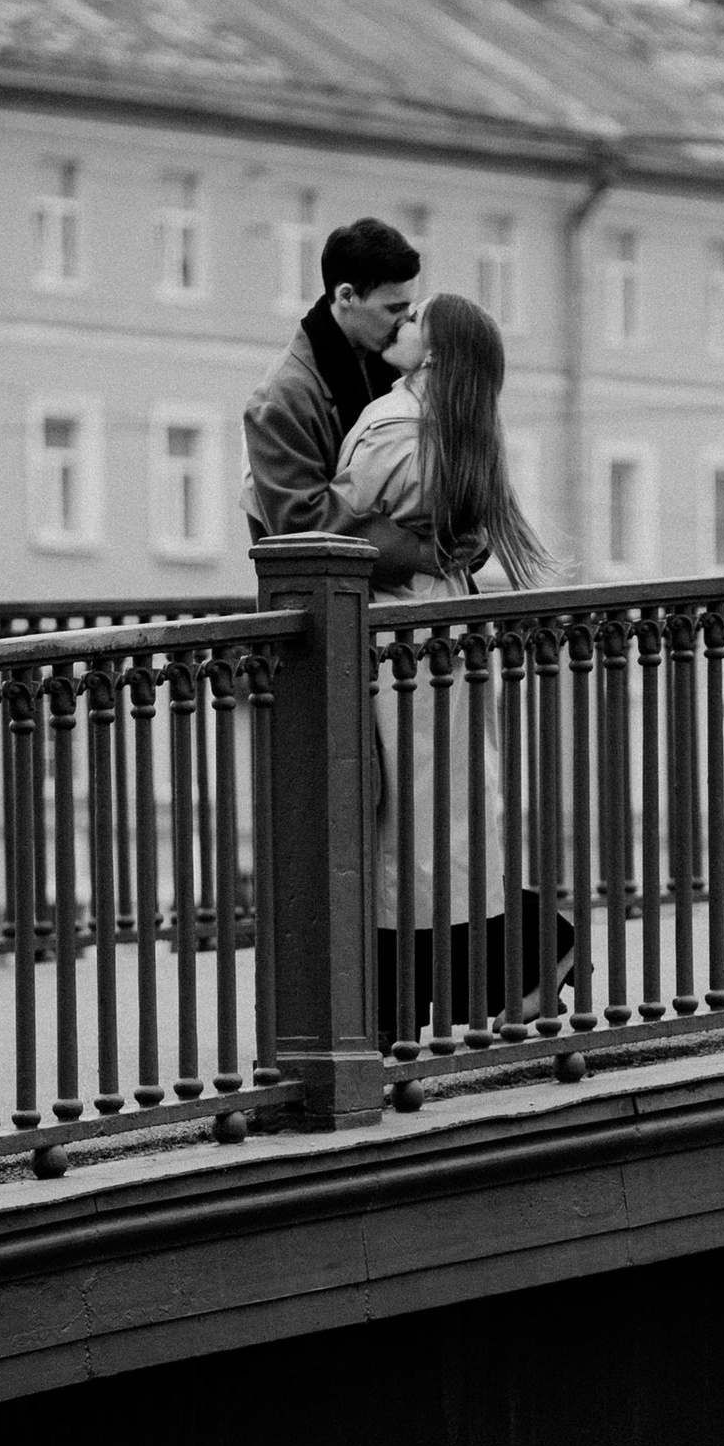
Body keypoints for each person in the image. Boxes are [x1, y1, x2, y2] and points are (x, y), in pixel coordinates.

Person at [328, 291, 558, 1042]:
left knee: (401, 822)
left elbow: (330, 526)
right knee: (441, 823)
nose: (402, 325)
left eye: (415, 319)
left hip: (399, 635)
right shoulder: (447, 429)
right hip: (441, 631)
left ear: (433, 353)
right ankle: (526, 957)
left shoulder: (398, 430)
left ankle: (410, 1004)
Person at [240, 215, 440, 575]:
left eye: (409, 308)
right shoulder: (282, 397)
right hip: (327, 602)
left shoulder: (393, 362)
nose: (405, 321)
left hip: (395, 597)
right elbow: (302, 525)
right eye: (393, 308)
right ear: (346, 295)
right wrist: (422, 552)